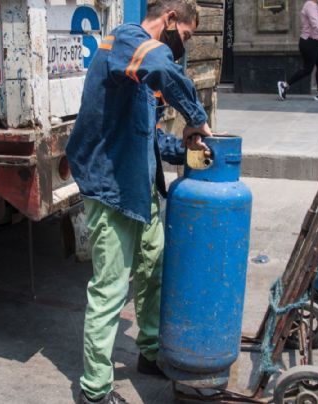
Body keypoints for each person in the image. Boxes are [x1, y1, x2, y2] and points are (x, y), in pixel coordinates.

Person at [65, 0, 212, 402]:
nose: (182, 46)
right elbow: (165, 67)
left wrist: (187, 152)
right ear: (169, 20)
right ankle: (94, 389)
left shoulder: (141, 67)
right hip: (111, 190)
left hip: (140, 188)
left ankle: (148, 351)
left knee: (153, 270)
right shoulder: (126, 40)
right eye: (184, 35)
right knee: (111, 288)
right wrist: (196, 118)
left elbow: (149, 137)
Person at [277, 0, 318, 101]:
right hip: (309, 41)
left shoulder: (317, 6)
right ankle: (284, 85)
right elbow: (315, 24)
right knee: (307, 69)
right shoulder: (310, 5)